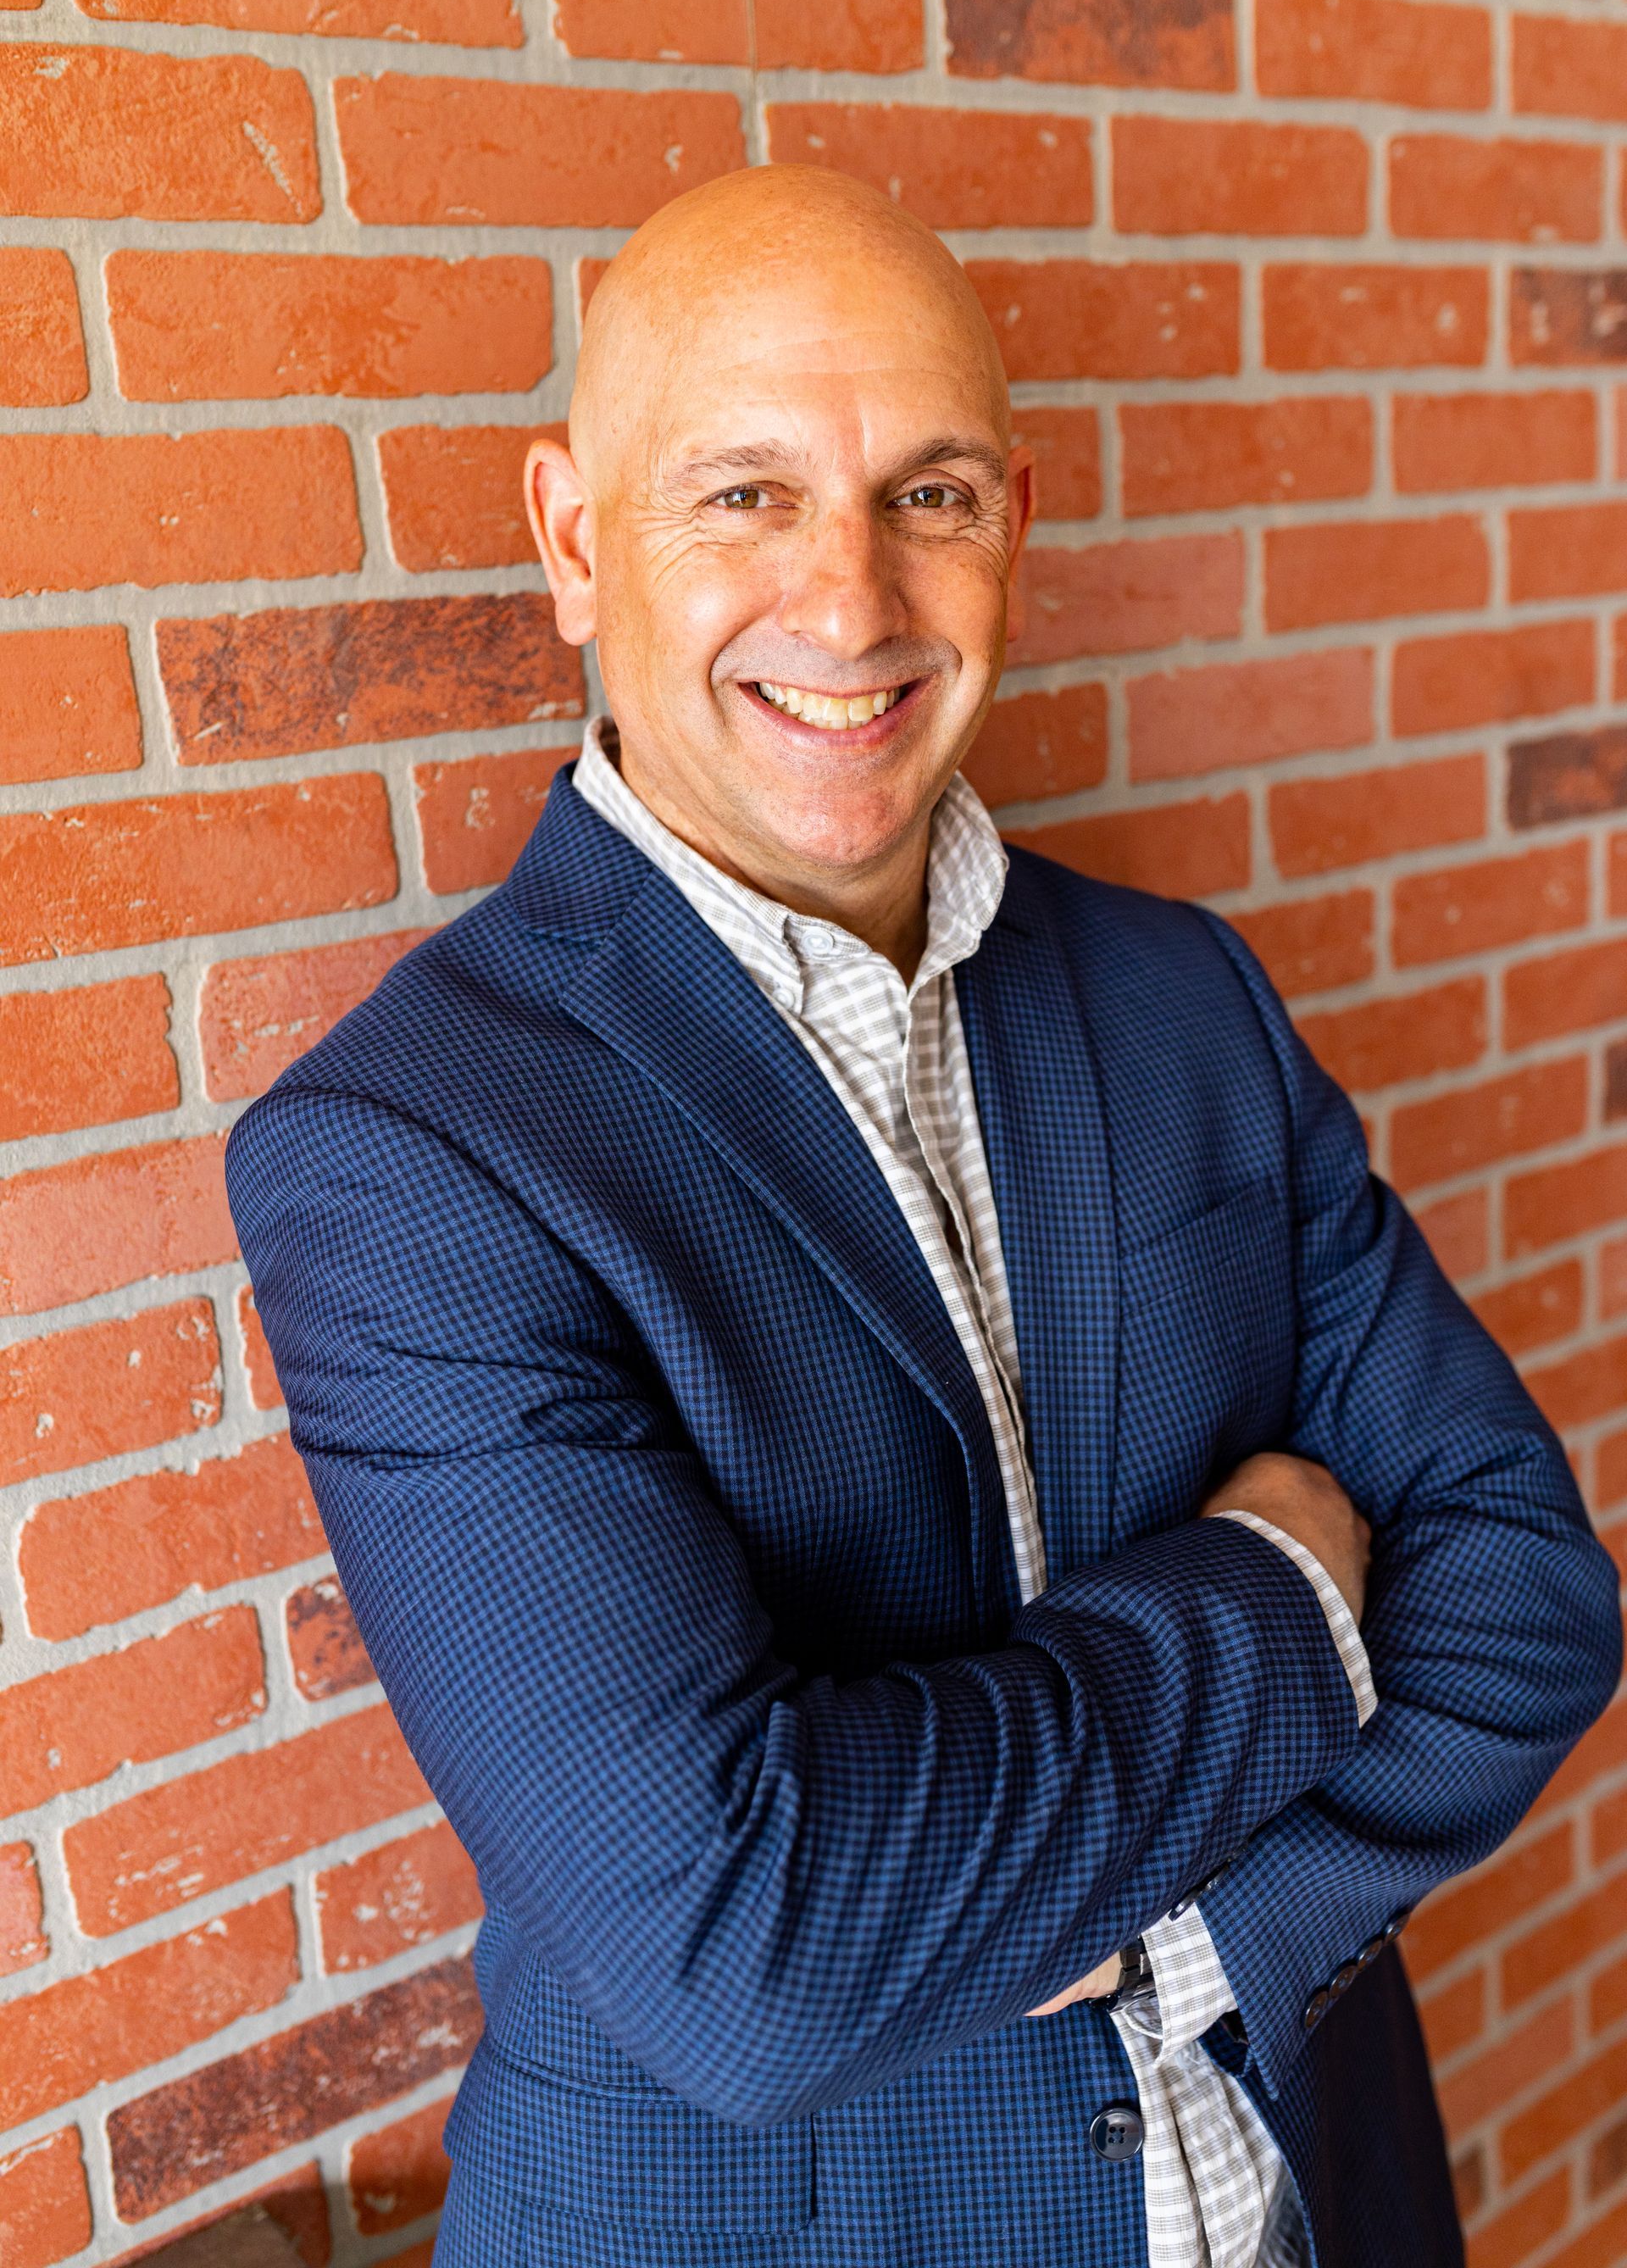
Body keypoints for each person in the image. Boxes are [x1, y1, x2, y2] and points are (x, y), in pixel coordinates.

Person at [226, 167, 1620, 2268]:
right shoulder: (417, 1152)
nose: (852, 597)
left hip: (1307, 2192)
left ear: (1016, 529)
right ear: (576, 541)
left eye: (930, 496)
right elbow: (749, 1940)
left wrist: (1178, 1938)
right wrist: (1278, 1581)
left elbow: (1528, 1590)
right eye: (747, 496)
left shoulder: (1186, 998)